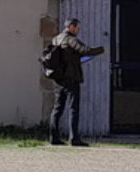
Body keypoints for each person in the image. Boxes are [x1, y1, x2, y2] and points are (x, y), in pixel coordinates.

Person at [42, 18, 105, 146]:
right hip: (71, 79)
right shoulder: (70, 39)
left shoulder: (56, 39)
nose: (78, 30)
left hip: (58, 79)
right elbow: (85, 50)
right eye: (77, 28)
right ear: (70, 27)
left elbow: (68, 56)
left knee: (57, 108)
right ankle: (74, 138)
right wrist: (102, 49)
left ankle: (54, 138)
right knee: (73, 108)